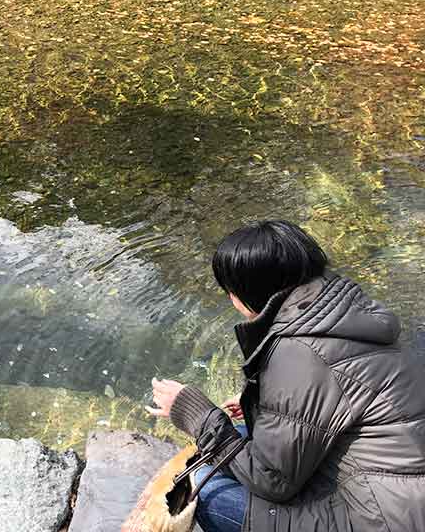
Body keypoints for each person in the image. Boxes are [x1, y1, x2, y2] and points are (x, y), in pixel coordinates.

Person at [146, 220, 425, 532]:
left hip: (384, 517)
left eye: (230, 289)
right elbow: (338, 394)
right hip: (402, 489)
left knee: (203, 490)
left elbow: (271, 481)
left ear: (249, 292)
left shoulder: (297, 353)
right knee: (240, 433)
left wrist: (194, 412)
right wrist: (257, 402)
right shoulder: (347, 312)